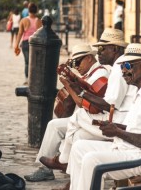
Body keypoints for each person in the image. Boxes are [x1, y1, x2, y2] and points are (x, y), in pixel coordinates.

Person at [65, 43, 141, 190]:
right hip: (134, 150)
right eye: (122, 66)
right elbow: (139, 128)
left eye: (128, 66)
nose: (123, 71)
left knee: (92, 160)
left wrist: (118, 132)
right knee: (79, 147)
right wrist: (116, 127)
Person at [40, 28, 138, 190]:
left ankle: (64, 160)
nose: (99, 53)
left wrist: (81, 91)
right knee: (78, 136)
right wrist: (79, 87)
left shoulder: (119, 70)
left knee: (78, 116)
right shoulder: (116, 69)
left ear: (114, 49)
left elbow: (109, 105)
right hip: (118, 120)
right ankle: (73, 184)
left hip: (120, 125)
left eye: (102, 49)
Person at [24, 43, 110, 182]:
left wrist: (69, 86)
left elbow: (87, 105)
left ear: (89, 58)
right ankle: (46, 168)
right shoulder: (90, 74)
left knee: (61, 128)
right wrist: (72, 81)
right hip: (86, 117)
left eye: (77, 62)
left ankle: (61, 166)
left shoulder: (100, 74)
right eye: (73, 63)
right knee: (54, 125)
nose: (76, 66)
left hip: (93, 119)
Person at [14, 3, 42, 85]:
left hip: (26, 43)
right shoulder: (39, 21)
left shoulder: (23, 20)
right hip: (36, 44)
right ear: (36, 11)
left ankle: (27, 79)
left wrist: (16, 45)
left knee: (27, 62)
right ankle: (35, 79)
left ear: (28, 10)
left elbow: (20, 33)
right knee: (35, 62)